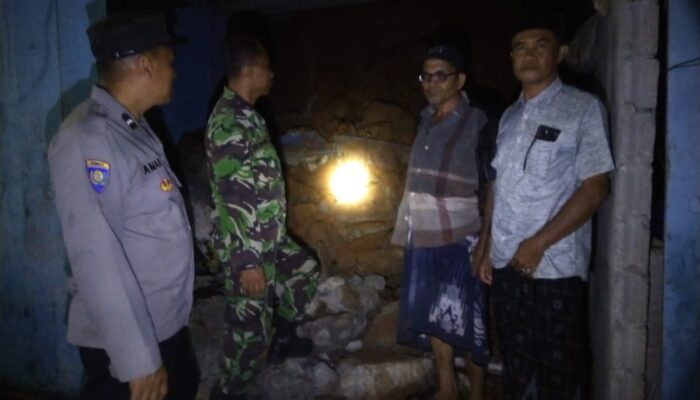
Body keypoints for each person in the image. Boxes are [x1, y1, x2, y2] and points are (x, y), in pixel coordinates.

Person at [48, 10, 199, 400]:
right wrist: (137, 360)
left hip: (161, 326)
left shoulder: (133, 127)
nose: (175, 72)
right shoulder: (89, 138)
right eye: (170, 61)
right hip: (125, 341)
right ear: (146, 64)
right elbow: (95, 256)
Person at [473, 9, 615, 400]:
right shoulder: (509, 116)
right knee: (518, 369)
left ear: (561, 52)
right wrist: (487, 248)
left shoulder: (583, 108)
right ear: (511, 57)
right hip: (505, 265)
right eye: (520, 48)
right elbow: (497, 187)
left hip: (554, 268)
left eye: (540, 45)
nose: (529, 55)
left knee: (559, 376)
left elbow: (595, 189)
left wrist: (537, 244)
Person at [205, 34, 320, 399]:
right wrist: (247, 262)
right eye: (268, 69)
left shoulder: (249, 116)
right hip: (248, 247)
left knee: (304, 271)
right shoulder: (230, 122)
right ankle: (228, 390)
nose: (272, 75)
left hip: (268, 238)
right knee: (247, 331)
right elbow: (233, 197)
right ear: (251, 71)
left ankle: (282, 337)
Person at [392, 44, 495, 400]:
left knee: (470, 318)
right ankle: (447, 387)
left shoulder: (478, 121)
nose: (431, 83)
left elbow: (493, 185)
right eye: (426, 76)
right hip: (422, 236)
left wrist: (486, 244)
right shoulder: (425, 119)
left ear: (459, 80)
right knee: (434, 315)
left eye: (440, 76)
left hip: (461, 237)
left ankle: (477, 393)